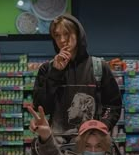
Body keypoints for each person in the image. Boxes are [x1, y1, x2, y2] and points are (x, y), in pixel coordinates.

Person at [33, 13, 122, 143]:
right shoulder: (47, 69)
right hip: (58, 146)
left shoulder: (99, 67)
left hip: (92, 144)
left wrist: (102, 127)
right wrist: (55, 74)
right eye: (57, 35)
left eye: (67, 34)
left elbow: (113, 105)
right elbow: (41, 107)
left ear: (78, 34)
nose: (62, 40)